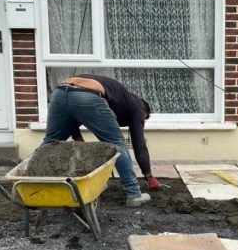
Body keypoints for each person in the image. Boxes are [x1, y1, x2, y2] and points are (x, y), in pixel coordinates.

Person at [42, 75, 156, 207]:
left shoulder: (119, 97)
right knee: (117, 144)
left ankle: (30, 184)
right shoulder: (138, 108)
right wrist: (149, 176)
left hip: (60, 92)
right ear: (144, 110)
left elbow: (72, 114)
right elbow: (139, 144)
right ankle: (134, 194)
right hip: (86, 94)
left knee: (50, 142)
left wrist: (77, 137)